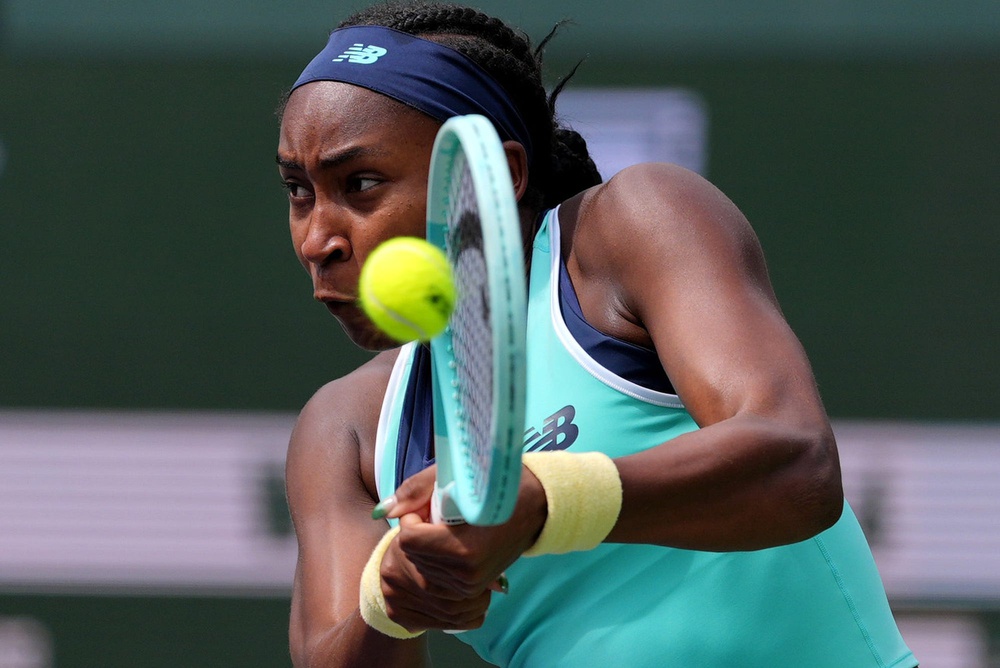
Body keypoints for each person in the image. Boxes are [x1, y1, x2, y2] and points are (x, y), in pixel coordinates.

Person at [277, 2, 917, 666]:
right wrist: (394, 599)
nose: (318, 238)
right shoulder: (347, 430)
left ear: (497, 173)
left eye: (362, 183)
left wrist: (546, 501)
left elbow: (797, 465)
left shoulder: (634, 225)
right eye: (298, 190)